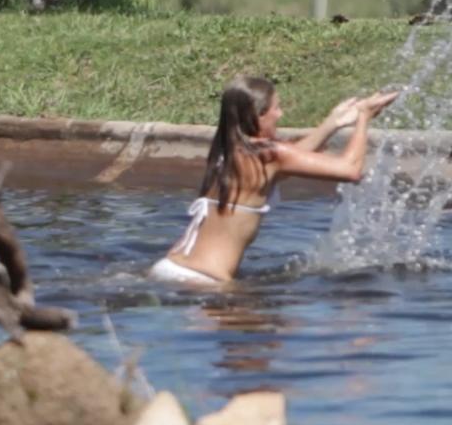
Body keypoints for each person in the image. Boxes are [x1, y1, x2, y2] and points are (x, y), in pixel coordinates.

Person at [149, 75, 398, 285]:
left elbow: (290, 160)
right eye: (276, 108)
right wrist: (364, 117)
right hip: (202, 282)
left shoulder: (230, 151)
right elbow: (350, 170)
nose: (281, 113)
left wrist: (333, 123)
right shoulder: (268, 155)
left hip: (170, 268)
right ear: (258, 116)